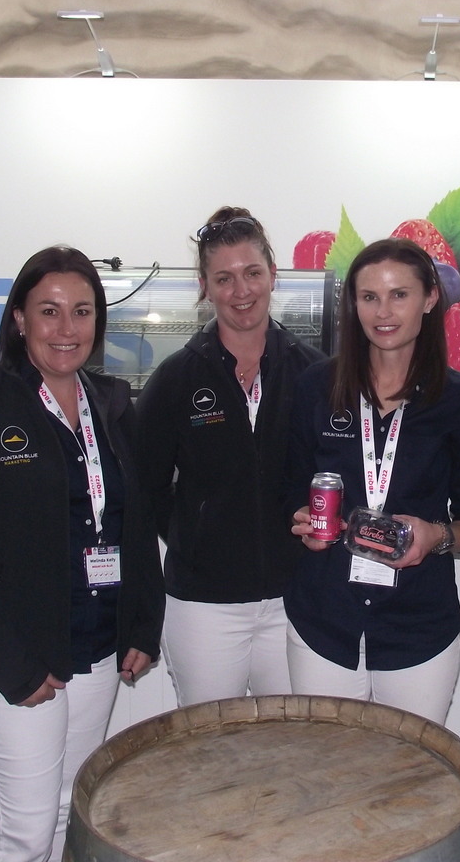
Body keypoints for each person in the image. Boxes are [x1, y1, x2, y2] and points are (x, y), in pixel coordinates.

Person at [0, 245, 164, 862]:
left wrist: (141, 622)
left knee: (67, 813)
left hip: (95, 645)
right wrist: (14, 666)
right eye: (49, 311)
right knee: (25, 829)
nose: (66, 328)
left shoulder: (112, 404)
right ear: (19, 319)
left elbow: (133, 524)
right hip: (13, 653)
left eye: (82, 311)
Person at [284, 238, 460, 724]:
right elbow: (289, 492)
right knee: (326, 764)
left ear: (430, 298)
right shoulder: (315, 388)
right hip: (324, 622)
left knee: (413, 767)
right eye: (369, 296)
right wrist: (301, 520)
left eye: (399, 294)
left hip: (418, 627)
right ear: (353, 304)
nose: (383, 312)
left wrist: (435, 536)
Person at [135, 208, 325, 706]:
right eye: (224, 278)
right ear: (205, 287)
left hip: (293, 599)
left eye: (252, 273)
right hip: (204, 608)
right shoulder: (176, 378)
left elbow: (333, 473)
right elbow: (146, 486)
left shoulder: (315, 373)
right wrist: (196, 533)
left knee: (292, 742)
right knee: (209, 743)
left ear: (273, 275)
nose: (241, 291)